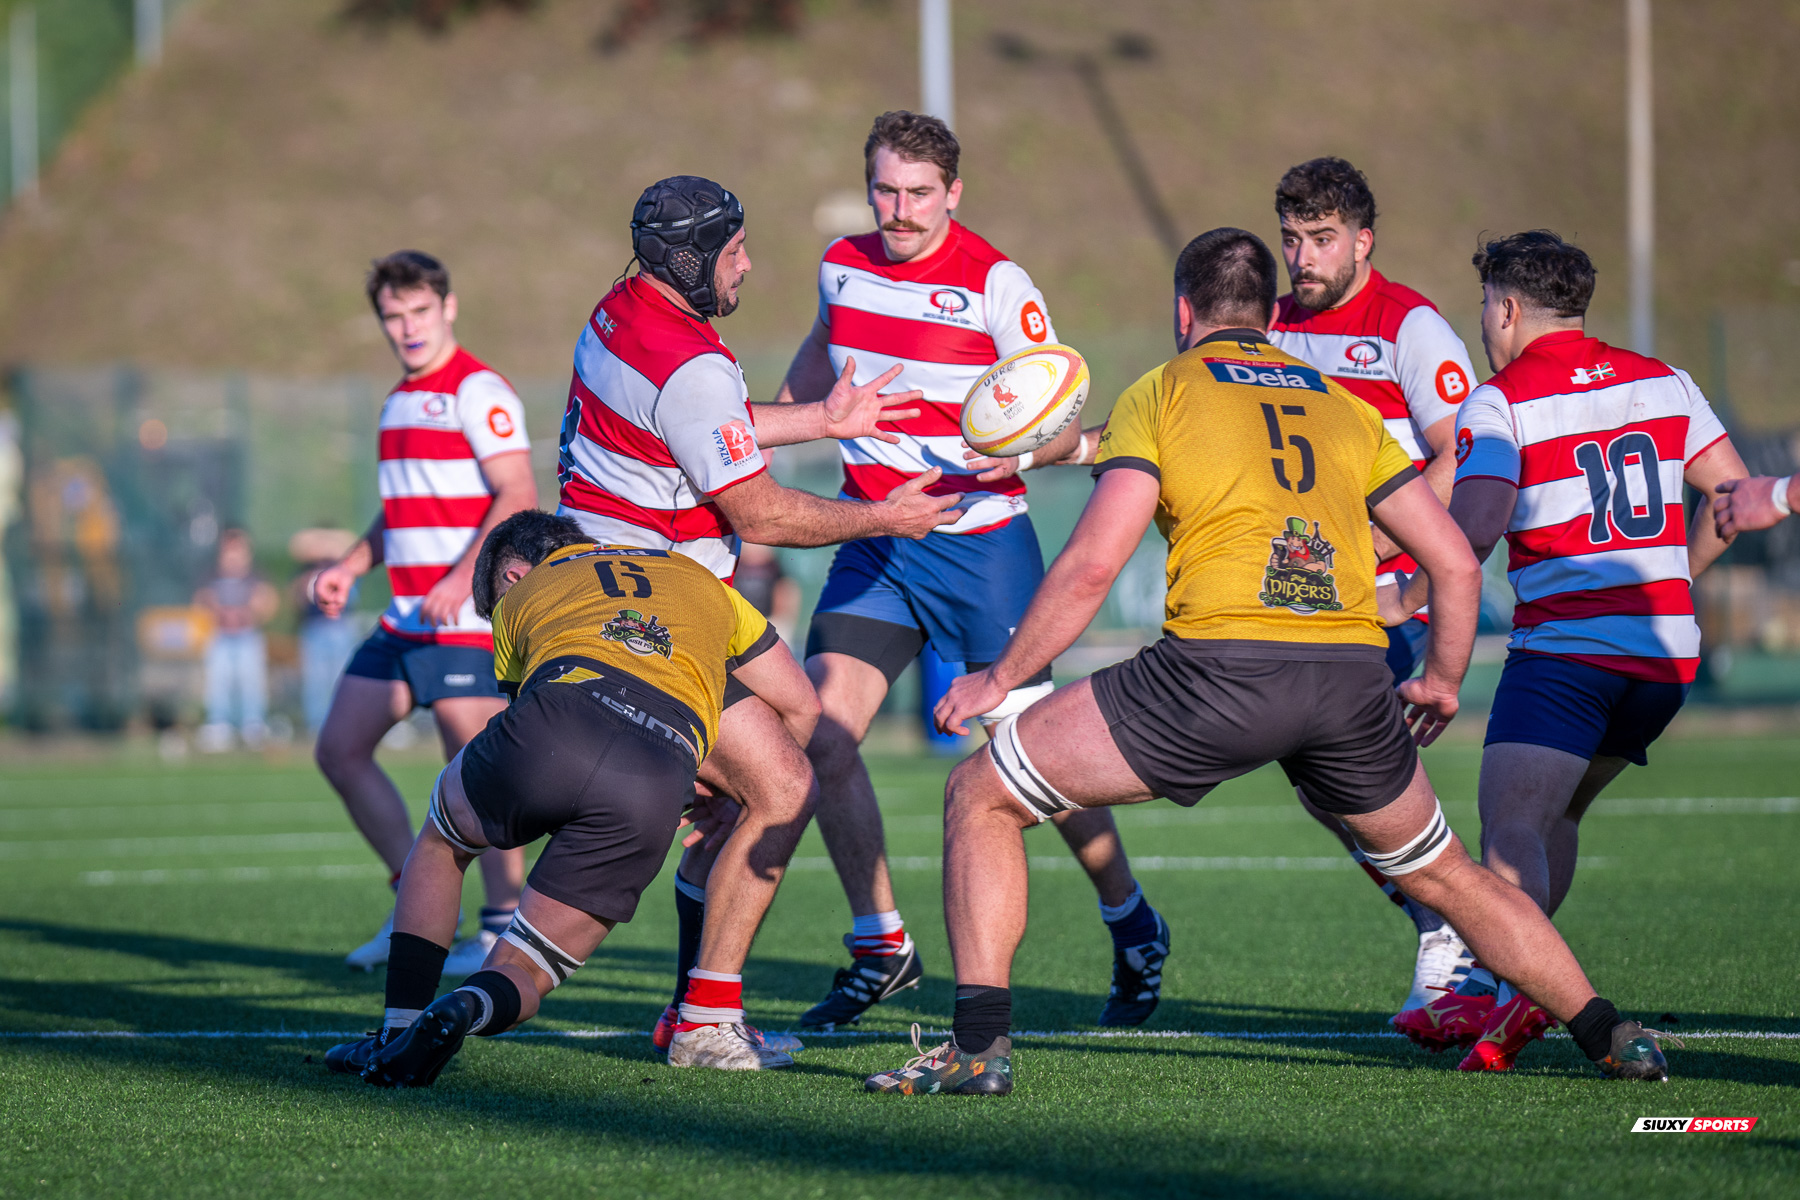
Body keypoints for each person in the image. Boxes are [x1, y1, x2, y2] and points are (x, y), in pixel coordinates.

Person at [863, 228, 1673, 1095]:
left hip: (1217, 674)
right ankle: (1609, 1032)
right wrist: (1440, 680)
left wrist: (997, 677)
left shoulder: (1164, 391)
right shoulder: (1339, 404)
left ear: (1185, 312)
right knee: (1446, 874)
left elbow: (1094, 563)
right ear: (1266, 314)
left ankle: (979, 1051)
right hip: (1351, 680)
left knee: (980, 794)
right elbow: (1454, 562)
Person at [774, 111, 1170, 1031]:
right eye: (886, 189)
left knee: (1030, 761)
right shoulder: (841, 261)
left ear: (953, 192)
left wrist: (1024, 457)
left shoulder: (998, 284)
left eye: (919, 193)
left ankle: (1129, 917)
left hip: (981, 546)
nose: (900, 210)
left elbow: (1060, 410)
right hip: (875, 538)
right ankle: (881, 943)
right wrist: (781, 421)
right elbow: (821, 344)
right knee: (824, 737)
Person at [553, 174, 960, 1050]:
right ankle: (704, 1016)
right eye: (734, 251)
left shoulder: (622, 311)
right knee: (782, 786)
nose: (748, 265)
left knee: (813, 724)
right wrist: (888, 517)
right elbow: (761, 512)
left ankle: (825, 947)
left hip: (637, 590)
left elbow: (703, 424)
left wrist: (824, 415)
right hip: (658, 614)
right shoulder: (692, 361)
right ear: (693, 259)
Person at [1389, 231, 1741, 1071]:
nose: (1482, 322)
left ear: (1507, 309)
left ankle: (1547, 1006)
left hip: (1567, 657)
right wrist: (1675, 582)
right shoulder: (1668, 381)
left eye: (1485, 307)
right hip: (1664, 660)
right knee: (1560, 816)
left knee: (1509, 835)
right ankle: (1522, 1000)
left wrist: (1400, 598)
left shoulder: (1500, 401)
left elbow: (1467, 537)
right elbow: (1731, 494)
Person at [326, 511, 821, 1082]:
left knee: (444, 840)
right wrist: (731, 800)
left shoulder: (522, 596)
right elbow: (801, 705)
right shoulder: (699, 578)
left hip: (557, 724)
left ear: (511, 575)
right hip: (660, 769)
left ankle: (396, 1029)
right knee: (527, 967)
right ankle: (463, 1008)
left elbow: (525, 708)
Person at [1265, 157, 1481, 1012]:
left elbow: (1460, 454)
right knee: (1321, 783)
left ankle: (1457, 932)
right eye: (1291, 239)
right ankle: (1442, 922)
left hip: (1385, 597)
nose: (1303, 257)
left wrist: (1401, 560)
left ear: (1363, 240)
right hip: (1304, 599)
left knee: (1374, 787)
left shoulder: (1410, 326)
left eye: (1321, 239)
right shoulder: (1272, 325)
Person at [312, 251, 538, 976]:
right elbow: (403, 510)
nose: (406, 328)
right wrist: (352, 564)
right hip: (407, 618)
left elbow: (518, 492)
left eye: (418, 312)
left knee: (480, 776)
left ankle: (502, 930)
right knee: (339, 749)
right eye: (392, 316)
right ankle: (411, 900)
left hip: (464, 617)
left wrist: (457, 578)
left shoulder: (479, 391)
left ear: (448, 307)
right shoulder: (397, 401)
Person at [194, 528, 280, 751]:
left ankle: (253, 724)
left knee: (251, 681)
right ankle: (219, 724)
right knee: (218, 682)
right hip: (221, 637)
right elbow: (201, 602)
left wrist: (252, 610)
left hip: (247, 636)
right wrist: (216, 609)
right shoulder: (211, 576)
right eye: (228, 550)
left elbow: (269, 603)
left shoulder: (255, 577)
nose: (233, 556)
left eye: (238, 550)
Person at [289, 528, 361, 736]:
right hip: (314, 625)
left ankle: (346, 721)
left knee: (344, 678)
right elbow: (297, 545)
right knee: (316, 681)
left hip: (341, 625)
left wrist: (328, 542)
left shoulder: (345, 567)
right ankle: (316, 724)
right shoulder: (305, 572)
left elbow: (351, 542)